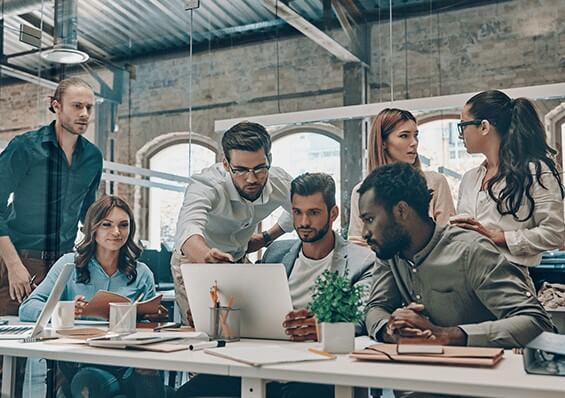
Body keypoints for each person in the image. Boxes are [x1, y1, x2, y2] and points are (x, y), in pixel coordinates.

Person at [176, 173, 375, 398]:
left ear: (333, 214)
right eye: (297, 212)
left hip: (319, 370)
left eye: (314, 212)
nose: (304, 222)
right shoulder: (277, 253)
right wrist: (212, 317)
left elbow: (362, 317)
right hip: (263, 364)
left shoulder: (362, 261)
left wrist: (323, 329)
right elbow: (253, 309)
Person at [359, 163, 553, 348]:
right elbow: (375, 308)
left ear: (401, 211)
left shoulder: (471, 250)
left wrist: (445, 335)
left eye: (370, 219)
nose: (364, 233)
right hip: (419, 372)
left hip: (483, 375)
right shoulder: (390, 252)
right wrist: (390, 329)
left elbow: (536, 321)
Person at [20, 196, 167, 398]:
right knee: (91, 381)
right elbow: (27, 308)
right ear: (93, 229)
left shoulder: (142, 273)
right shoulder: (69, 264)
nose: (116, 232)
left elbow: (149, 328)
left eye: (124, 225)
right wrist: (64, 311)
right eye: (107, 225)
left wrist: (154, 318)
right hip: (80, 359)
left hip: (127, 361)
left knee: (147, 375)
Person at [171, 121, 294, 324]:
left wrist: (266, 237)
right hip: (196, 260)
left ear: (269, 159)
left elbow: (300, 210)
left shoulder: (280, 182)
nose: (252, 179)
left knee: (246, 327)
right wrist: (206, 256)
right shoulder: (206, 184)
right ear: (226, 164)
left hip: (237, 259)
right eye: (241, 170)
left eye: (259, 168)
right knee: (204, 331)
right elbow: (188, 229)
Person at [0, 77, 103, 315]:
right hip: (20, 260)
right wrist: (13, 265)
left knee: (58, 339)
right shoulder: (25, 147)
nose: (85, 114)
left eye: (89, 107)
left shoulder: (93, 157)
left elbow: (89, 214)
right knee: (11, 339)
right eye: (77, 106)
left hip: (63, 264)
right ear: (56, 105)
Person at [453, 90, 564, 267]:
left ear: (484, 127)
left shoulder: (535, 171)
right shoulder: (469, 178)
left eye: (463, 125)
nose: (460, 135)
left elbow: (555, 233)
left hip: (509, 280)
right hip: (468, 277)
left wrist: (500, 238)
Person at [348, 108, 454, 244]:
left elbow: (448, 238)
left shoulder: (435, 182)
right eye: (404, 136)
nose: (414, 142)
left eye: (416, 135)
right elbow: (358, 245)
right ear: (383, 142)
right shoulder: (361, 192)